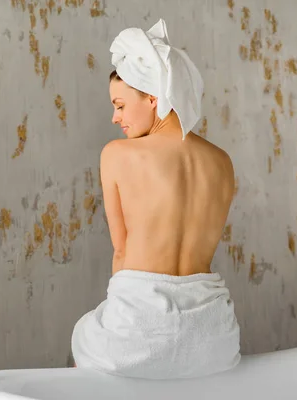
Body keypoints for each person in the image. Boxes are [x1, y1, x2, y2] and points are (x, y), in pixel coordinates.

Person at [71, 19, 241, 380]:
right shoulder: (223, 162)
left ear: (152, 98)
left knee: (84, 335)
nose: (115, 117)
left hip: (140, 331)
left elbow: (122, 252)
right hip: (214, 335)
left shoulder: (116, 155)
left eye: (120, 105)